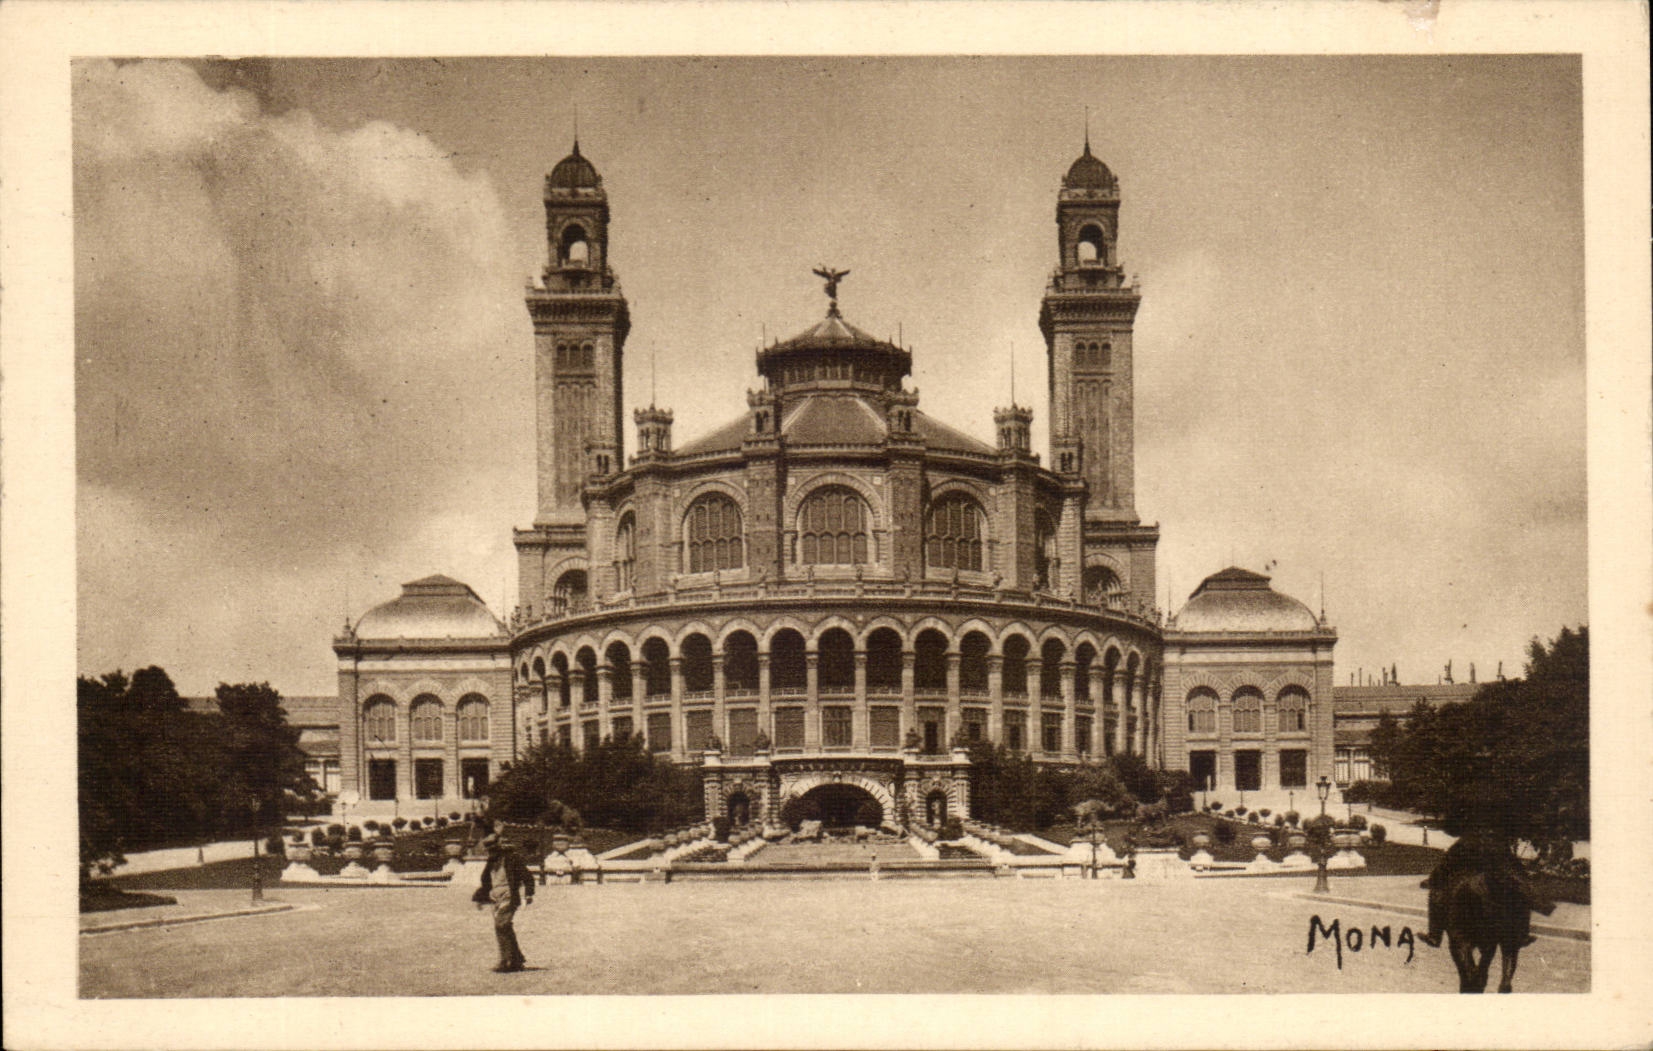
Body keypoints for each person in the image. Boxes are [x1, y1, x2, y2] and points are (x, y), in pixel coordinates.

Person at [1418, 830, 1547, 949]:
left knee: (1437, 882)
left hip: (1472, 843)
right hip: (1497, 846)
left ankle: (1434, 935)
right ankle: (1522, 935)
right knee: (1521, 882)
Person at [476, 832, 534, 972]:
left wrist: (528, 895)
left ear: (499, 847)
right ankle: (516, 960)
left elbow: (528, 877)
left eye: (493, 849)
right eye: (489, 850)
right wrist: (480, 898)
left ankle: (505, 961)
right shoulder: (491, 862)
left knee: (501, 925)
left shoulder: (512, 859)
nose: (491, 853)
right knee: (504, 928)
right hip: (495, 899)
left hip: (509, 897)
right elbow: (485, 881)